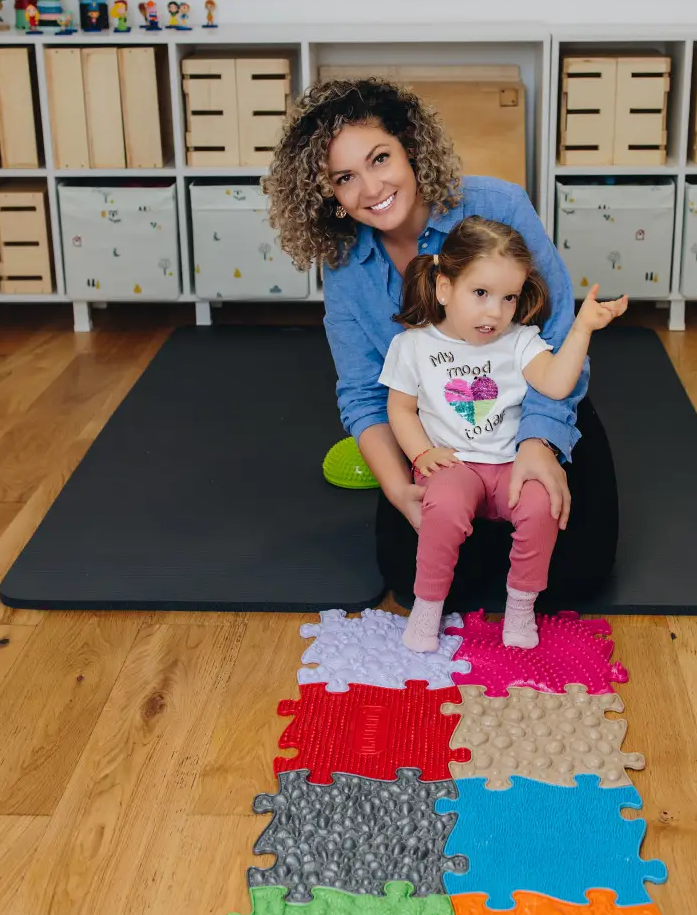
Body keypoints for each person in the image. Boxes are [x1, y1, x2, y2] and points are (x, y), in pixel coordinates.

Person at [265, 78, 620, 613]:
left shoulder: (499, 205)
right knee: (412, 584)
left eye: (380, 158)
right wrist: (398, 489)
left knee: (576, 579)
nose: (370, 188)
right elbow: (363, 393)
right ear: (329, 193)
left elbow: (556, 334)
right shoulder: (344, 263)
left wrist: (538, 443)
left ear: (409, 147)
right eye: (345, 178)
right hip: (439, 442)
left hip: (533, 406)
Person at [381, 216, 626, 652]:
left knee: (543, 503)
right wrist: (420, 454)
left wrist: (582, 329)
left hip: (511, 465)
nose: (495, 312)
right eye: (481, 293)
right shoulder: (413, 345)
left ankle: (520, 607)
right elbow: (400, 409)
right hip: (455, 464)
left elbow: (556, 384)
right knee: (443, 505)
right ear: (444, 288)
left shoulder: (519, 340)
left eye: (508, 297)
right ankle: (427, 608)